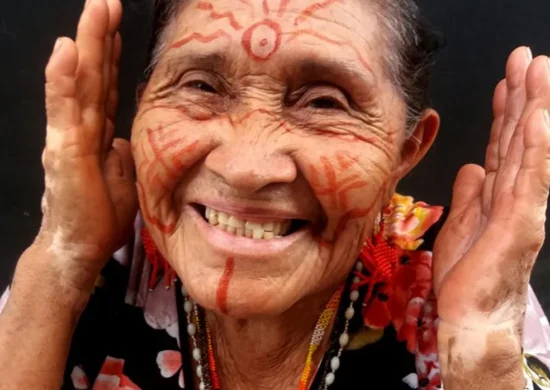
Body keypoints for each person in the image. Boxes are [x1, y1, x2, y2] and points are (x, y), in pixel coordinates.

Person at [1, 0, 550, 388]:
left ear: (407, 148)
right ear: (143, 107)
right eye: (200, 87)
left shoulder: (459, 282)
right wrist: (61, 262)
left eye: (324, 103)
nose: (244, 169)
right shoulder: (93, 262)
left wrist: (482, 347)